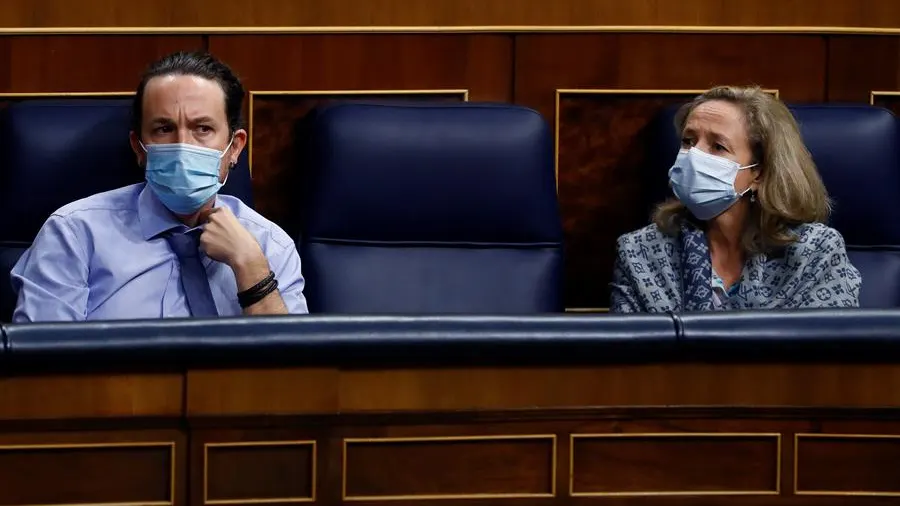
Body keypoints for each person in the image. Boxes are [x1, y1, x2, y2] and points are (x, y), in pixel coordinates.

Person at [10, 51, 308, 321]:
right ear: (139, 148)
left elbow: (294, 375)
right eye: (164, 129)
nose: (182, 146)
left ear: (234, 148)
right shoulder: (74, 235)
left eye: (202, 128)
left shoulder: (270, 246)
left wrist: (251, 268)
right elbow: (41, 371)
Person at [610, 85, 861, 312]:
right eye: (688, 141)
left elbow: (833, 355)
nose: (693, 156)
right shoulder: (639, 253)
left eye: (718, 146)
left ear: (758, 173)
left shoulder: (814, 253)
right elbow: (627, 357)